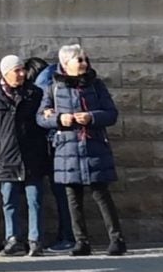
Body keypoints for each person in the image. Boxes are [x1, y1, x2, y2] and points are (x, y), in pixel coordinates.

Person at [41, 45, 124, 255]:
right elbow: (41, 117)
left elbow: (111, 114)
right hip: (67, 148)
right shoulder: (53, 87)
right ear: (65, 63)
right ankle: (81, 242)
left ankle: (117, 240)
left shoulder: (96, 85)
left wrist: (91, 117)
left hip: (94, 146)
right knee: (73, 198)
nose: (84, 63)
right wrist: (60, 119)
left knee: (101, 194)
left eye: (85, 59)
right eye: (79, 60)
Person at [0, 56, 50, 254]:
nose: (21, 74)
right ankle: (13, 239)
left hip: (32, 156)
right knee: (9, 201)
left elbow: (42, 121)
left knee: (35, 200)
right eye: (16, 71)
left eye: (22, 70)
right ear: (5, 73)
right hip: (6, 158)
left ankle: (35, 240)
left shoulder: (34, 93)